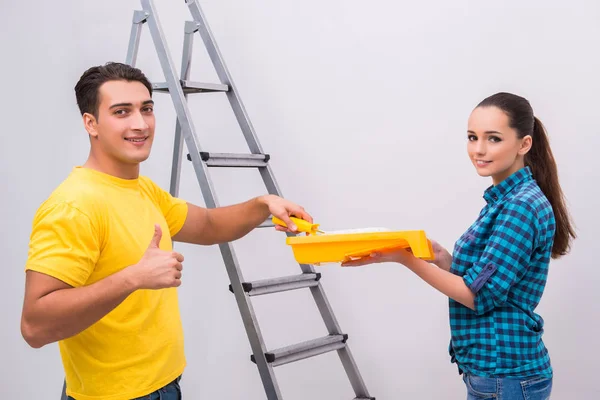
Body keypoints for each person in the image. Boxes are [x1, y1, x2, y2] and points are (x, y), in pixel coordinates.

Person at [20, 62, 313, 400]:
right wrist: (132, 277)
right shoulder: (73, 206)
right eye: (121, 112)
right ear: (91, 123)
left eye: (147, 109)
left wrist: (263, 204)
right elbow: (34, 326)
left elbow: (207, 225)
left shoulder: (142, 189)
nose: (140, 124)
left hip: (165, 387)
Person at [342, 92, 576, 399]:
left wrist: (404, 259)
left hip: (505, 376)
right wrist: (440, 257)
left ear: (524, 144)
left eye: (493, 138)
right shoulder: (504, 200)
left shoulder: (520, 206)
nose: (478, 149)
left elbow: (479, 297)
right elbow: (483, 280)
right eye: (472, 137)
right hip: (497, 374)